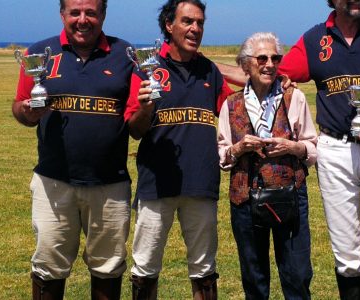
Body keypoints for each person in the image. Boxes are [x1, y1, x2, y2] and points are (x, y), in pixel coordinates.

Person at [220, 1, 360, 298]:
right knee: (347, 256)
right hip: (335, 150)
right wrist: (199, 63)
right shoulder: (315, 39)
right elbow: (265, 72)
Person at [12, 0, 134, 299]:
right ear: (62, 14)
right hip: (54, 183)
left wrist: (146, 107)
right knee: (49, 269)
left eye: (91, 13)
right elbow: (19, 106)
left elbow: (135, 121)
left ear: (102, 15)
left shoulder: (125, 55)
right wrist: (27, 113)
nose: (83, 20)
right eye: (75, 12)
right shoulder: (40, 53)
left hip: (110, 185)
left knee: (108, 269)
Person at [123, 0, 234, 299]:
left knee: (204, 271)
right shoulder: (146, 69)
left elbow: (233, 112)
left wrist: (272, 82)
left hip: (202, 183)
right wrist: (146, 108)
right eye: (187, 22)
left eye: (200, 22)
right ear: (169, 26)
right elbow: (135, 129)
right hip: (156, 186)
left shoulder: (209, 71)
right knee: (145, 269)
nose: (195, 29)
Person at [217, 32, 318, 299]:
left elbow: (313, 147)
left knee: (296, 276)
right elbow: (222, 155)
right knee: (254, 278)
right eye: (262, 58)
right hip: (245, 201)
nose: (270, 64)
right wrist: (239, 148)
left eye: (275, 58)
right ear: (245, 64)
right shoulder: (231, 104)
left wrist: (292, 147)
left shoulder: (293, 98)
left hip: (290, 197)